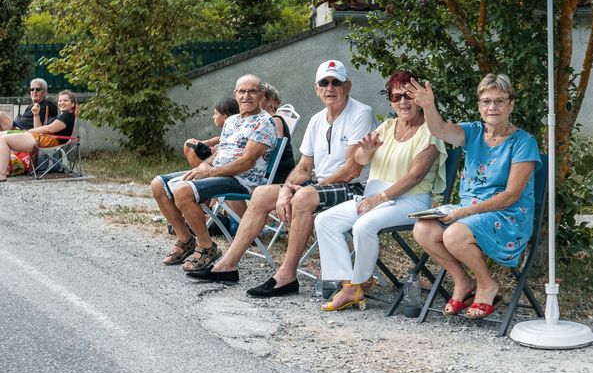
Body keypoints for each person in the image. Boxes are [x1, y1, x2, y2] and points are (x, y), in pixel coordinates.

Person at [186, 60, 378, 298]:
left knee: (305, 196)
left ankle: (287, 275)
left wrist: (304, 189)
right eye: (324, 82)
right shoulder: (318, 119)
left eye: (336, 82)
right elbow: (304, 166)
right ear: (316, 88)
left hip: (354, 188)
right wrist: (287, 188)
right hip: (321, 184)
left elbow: (352, 170)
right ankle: (228, 265)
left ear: (347, 85)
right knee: (261, 193)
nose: (330, 87)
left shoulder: (360, 114)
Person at [406, 73, 541, 319]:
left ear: (511, 104)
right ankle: (463, 282)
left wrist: (464, 212)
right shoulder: (474, 132)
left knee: (455, 234)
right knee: (422, 230)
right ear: (479, 106)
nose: (492, 107)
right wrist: (428, 106)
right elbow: (439, 129)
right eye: (486, 101)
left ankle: (487, 285)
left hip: (506, 215)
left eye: (499, 101)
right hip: (468, 211)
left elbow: (511, 195)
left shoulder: (524, 143)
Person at [314, 70, 447, 311]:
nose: (403, 102)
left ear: (419, 99)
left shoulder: (431, 131)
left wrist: (380, 198)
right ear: (391, 102)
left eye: (408, 96)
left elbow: (414, 176)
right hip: (375, 196)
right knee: (325, 220)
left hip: (410, 200)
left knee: (364, 225)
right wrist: (366, 151)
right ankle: (349, 281)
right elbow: (361, 159)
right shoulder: (387, 126)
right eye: (397, 97)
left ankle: (355, 287)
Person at [151, 74, 277, 270]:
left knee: (183, 190)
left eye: (252, 91)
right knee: (158, 184)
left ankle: (206, 247)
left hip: (241, 179)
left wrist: (211, 172)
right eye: (242, 91)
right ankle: (185, 239)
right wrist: (205, 165)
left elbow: (247, 162)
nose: (246, 96)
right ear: (235, 94)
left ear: (261, 94)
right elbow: (220, 152)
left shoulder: (264, 122)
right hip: (219, 172)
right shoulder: (232, 120)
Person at [0, 89, 77, 182]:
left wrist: (29, 131)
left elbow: (50, 129)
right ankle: (6, 170)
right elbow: (40, 128)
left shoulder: (67, 116)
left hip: (46, 141)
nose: (62, 102)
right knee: (1, 135)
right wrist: (36, 115)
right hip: (40, 138)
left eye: (65, 100)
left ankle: (2, 174)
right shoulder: (61, 116)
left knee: (3, 139)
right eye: (60, 100)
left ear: (72, 104)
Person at [183, 97, 239, 168]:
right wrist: (210, 141)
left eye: (215, 114)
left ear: (225, 117)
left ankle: (200, 173)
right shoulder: (232, 129)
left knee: (190, 145)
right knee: (190, 144)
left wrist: (213, 148)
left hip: (223, 166)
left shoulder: (235, 131)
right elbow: (222, 139)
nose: (213, 117)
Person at [261, 83, 295, 183]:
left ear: (269, 101)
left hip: (278, 174)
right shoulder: (263, 120)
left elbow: (275, 150)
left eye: (260, 97)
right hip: (268, 171)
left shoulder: (274, 120)